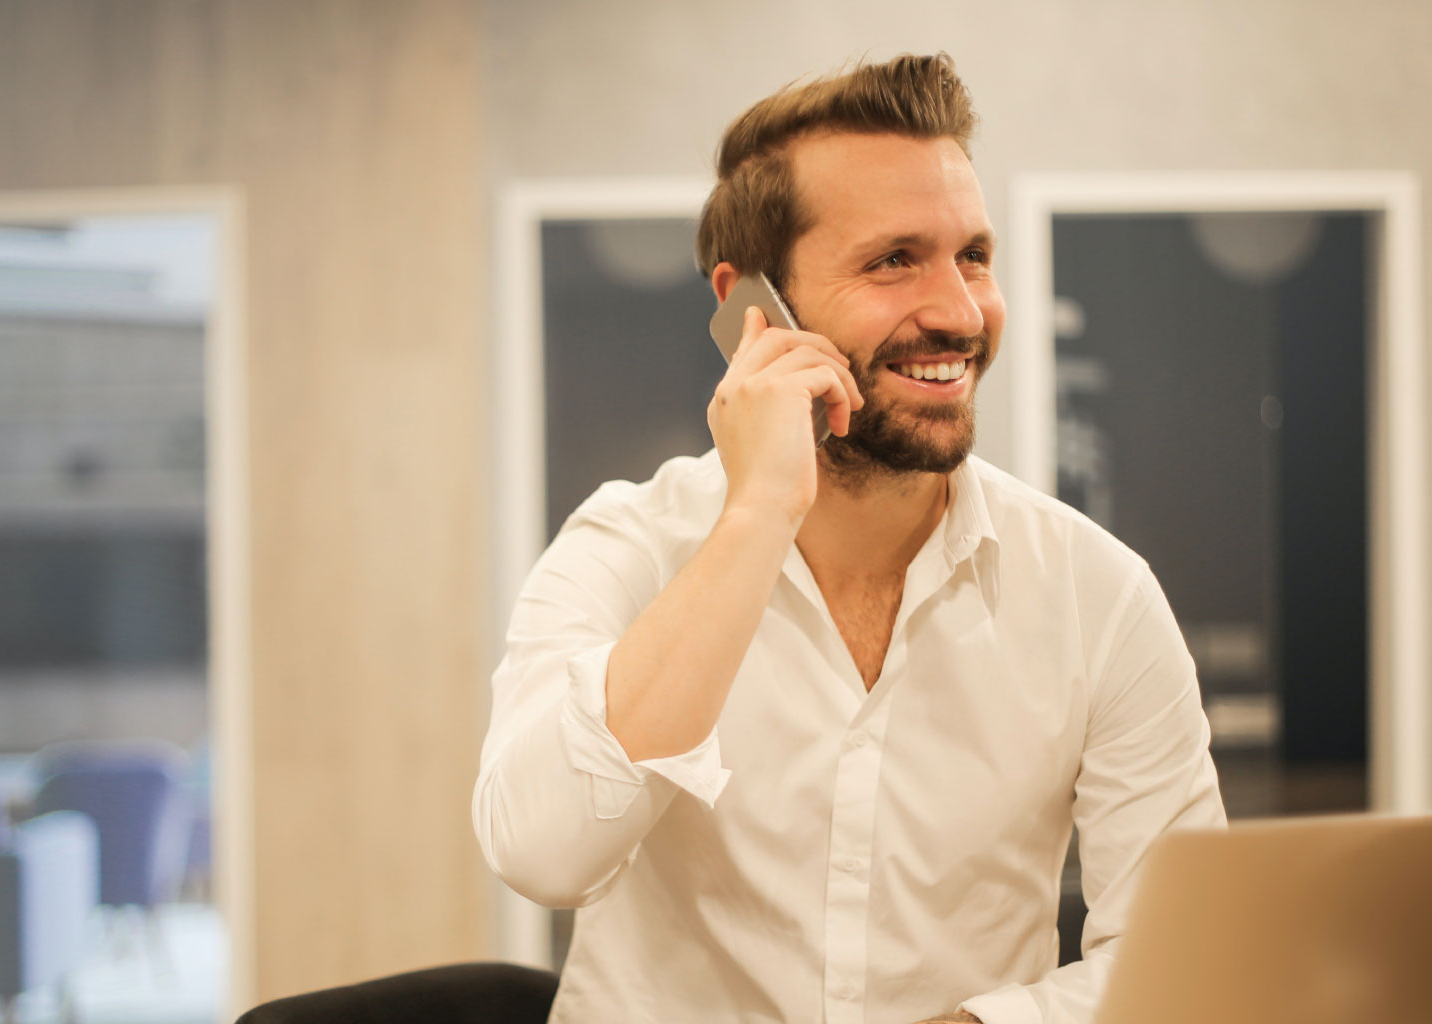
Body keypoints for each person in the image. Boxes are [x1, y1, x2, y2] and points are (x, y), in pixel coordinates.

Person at [474, 53, 1227, 1024]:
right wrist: (755, 518)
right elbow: (542, 855)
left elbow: (1176, 959)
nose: (960, 311)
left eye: (975, 256)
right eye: (893, 260)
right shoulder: (625, 547)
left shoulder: (1098, 594)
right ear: (752, 309)